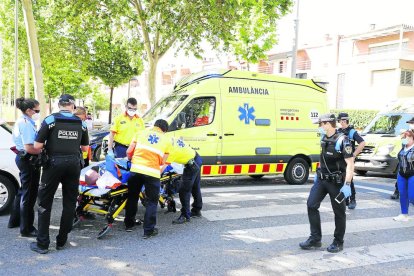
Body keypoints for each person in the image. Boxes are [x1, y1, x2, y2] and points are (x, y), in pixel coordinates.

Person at [30, 94, 89, 254]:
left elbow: (37, 145)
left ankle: (42, 244)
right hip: (73, 165)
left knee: (44, 203)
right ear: (73, 106)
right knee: (69, 203)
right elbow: (85, 149)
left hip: (53, 164)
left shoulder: (50, 120)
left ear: (59, 105)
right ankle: (62, 241)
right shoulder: (81, 123)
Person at [299, 113, 354, 253]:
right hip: (322, 179)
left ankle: (338, 241)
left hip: (336, 182)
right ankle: (315, 238)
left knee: (339, 212)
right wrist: (318, 172)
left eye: (321, 124)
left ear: (328, 124)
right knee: (311, 204)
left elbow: (350, 163)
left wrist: (347, 184)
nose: (319, 127)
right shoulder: (324, 138)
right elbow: (323, 158)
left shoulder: (343, 140)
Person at [124, 119, 171, 238]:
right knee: (151, 201)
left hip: (136, 170)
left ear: (155, 125)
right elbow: (163, 161)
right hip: (152, 172)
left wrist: (131, 159)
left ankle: (129, 224)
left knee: (132, 197)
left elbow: (129, 152)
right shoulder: (166, 140)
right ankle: (148, 231)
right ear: (164, 130)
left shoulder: (140, 133)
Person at [8, 98, 42, 237]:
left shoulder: (23, 121)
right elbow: (29, 148)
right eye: (37, 110)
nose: (38, 113)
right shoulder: (26, 123)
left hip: (24, 159)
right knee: (29, 195)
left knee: (23, 192)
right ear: (29, 110)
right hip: (29, 160)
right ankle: (27, 228)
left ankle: (15, 221)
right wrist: (43, 151)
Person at [166, 138, 203, 224]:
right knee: (195, 186)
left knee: (184, 190)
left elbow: (164, 166)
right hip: (197, 158)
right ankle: (197, 210)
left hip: (191, 165)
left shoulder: (171, 150)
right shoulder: (172, 139)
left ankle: (185, 215)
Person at [337, 112, 366, 209]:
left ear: (345, 120)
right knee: (341, 179)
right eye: (339, 121)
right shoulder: (339, 131)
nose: (340, 122)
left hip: (348, 160)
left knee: (349, 179)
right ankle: (345, 199)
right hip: (340, 159)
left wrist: (354, 155)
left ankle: (352, 199)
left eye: (341, 121)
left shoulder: (351, 131)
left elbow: (362, 143)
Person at [393, 129, 414, 221]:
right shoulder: (402, 147)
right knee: (403, 194)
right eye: (405, 138)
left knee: (412, 196)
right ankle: (404, 214)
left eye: (408, 137)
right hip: (401, 174)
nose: (406, 139)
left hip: (412, 174)